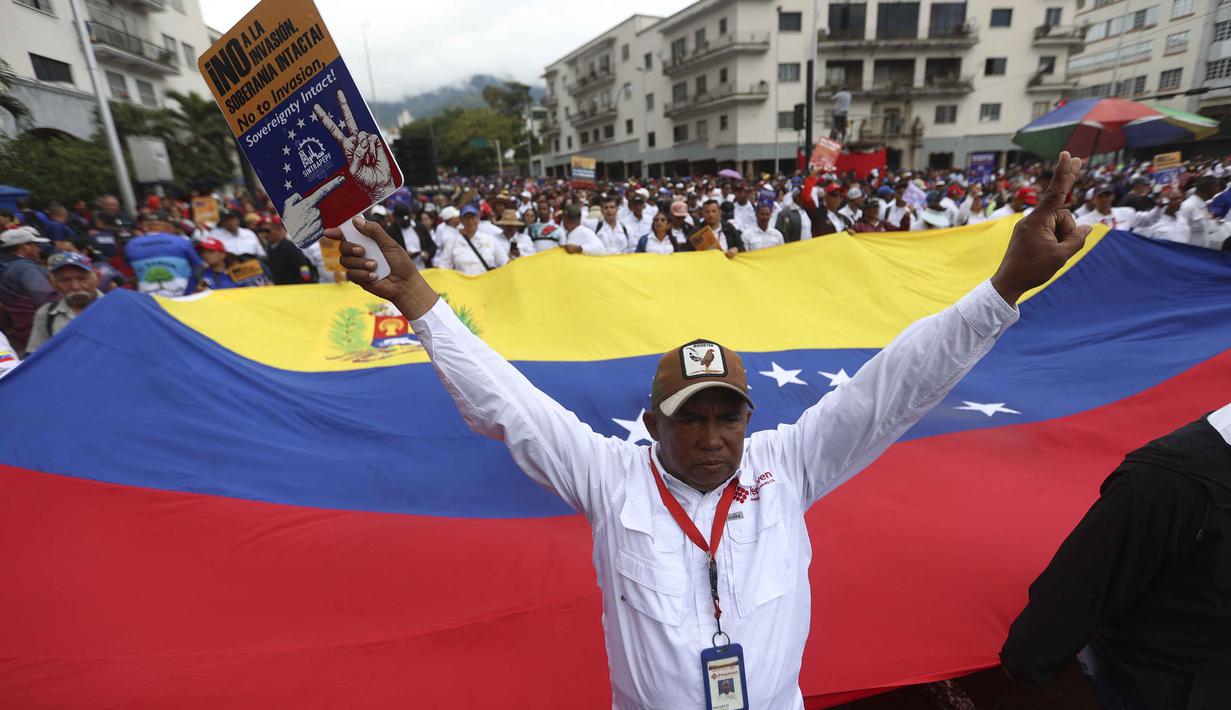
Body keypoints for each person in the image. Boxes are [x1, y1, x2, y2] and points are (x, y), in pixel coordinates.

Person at [324, 150, 1091, 710]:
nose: (712, 435)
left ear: (749, 421)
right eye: (691, 417)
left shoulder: (787, 466)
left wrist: (1003, 289)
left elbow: (895, 385)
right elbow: (507, 404)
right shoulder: (608, 476)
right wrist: (423, 305)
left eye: (727, 414)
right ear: (654, 424)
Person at [1001, 405, 1231, 710]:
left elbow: (1084, 584)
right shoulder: (1167, 481)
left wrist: (1025, 661)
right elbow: (1086, 583)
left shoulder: (1165, 481)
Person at [26, 252, 103, 353]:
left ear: (97, 277)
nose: (75, 286)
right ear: (52, 283)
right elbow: (36, 355)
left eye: (82, 278)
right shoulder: (46, 314)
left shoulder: (120, 308)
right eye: (65, 280)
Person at [0, 227, 55, 356]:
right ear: (23, 247)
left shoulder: (6, 267)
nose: (39, 249)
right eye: (35, 245)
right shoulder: (24, 268)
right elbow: (48, 300)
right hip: (38, 334)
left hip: (17, 333)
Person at [125, 230, 204, 297]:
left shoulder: (132, 244)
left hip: (148, 300)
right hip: (181, 297)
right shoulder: (181, 241)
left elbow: (129, 272)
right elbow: (198, 266)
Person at [438, 204, 507, 275]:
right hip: (462, 284)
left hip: (486, 283)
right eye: (467, 218)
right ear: (461, 220)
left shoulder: (490, 240)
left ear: (478, 219)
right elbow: (444, 266)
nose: (470, 221)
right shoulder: (453, 242)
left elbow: (504, 262)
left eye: (473, 217)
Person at [261, 219, 319, 286]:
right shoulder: (270, 248)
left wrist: (307, 286)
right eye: (262, 231)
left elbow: (303, 269)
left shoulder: (289, 247)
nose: (264, 235)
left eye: (267, 231)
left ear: (279, 230)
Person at [1178, 177, 1224, 250]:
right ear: (1210, 188)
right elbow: (1179, 233)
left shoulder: (1203, 205)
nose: (1218, 190)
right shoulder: (1188, 206)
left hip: (1203, 251)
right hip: (1191, 253)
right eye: (1217, 187)